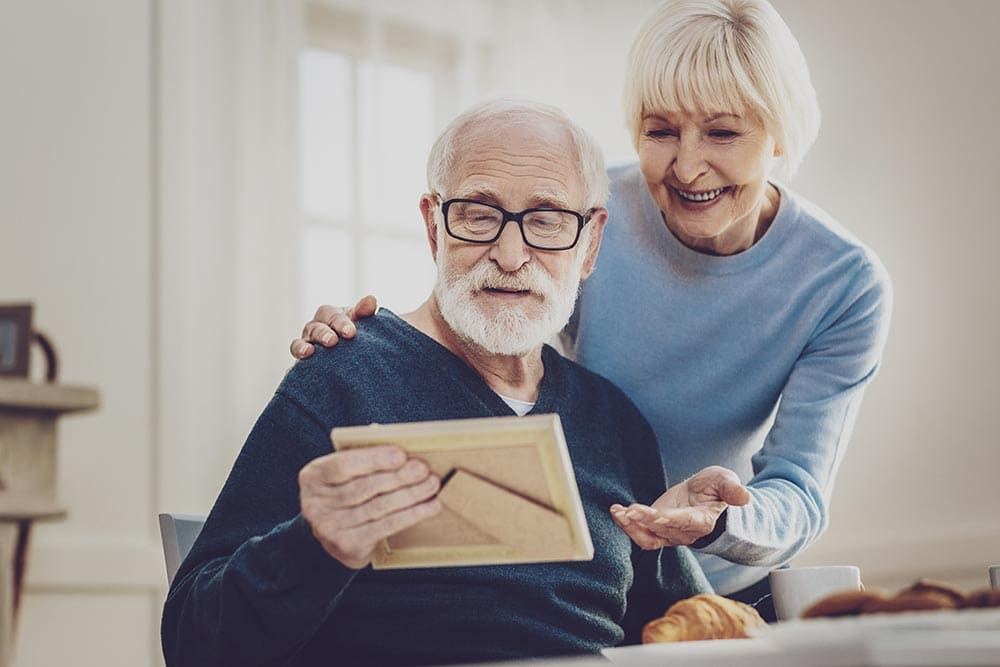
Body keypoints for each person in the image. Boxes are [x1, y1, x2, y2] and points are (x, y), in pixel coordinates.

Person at [289, 0, 893, 621]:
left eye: (722, 131)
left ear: (780, 134)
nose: (687, 166)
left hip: (720, 578)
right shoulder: (576, 213)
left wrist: (718, 520)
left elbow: (798, 485)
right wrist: (375, 340)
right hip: (588, 554)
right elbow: (496, 321)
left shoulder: (843, 284)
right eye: (661, 130)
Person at [161, 98, 751, 667]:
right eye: (479, 214)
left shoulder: (614, 422)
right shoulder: (341, 376)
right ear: (433, 226)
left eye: (546, 219)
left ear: (590, 242)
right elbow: (192, 641)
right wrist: (314, 548)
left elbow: (705, 633)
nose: (512, 253)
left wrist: (697, 528)